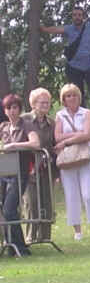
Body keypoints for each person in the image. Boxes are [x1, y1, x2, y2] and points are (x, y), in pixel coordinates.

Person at [54, 84, 90, 240]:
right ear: (63, 99)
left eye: (74, 95)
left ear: (79, 96)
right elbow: (57, 137)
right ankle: (77, 231)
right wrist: (78, 135)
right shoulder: (60, 115)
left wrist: (67, 139)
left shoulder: (87, 113)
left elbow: (87, 135)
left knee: (88, 194)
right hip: (67, 159)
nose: (71, 98)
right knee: (71, 195)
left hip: (86, 157)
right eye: (68, 96)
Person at [40, 6, 90, 124]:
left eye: (79, 15)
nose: (77, 17)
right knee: (77, 94)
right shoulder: (69, 28)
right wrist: (43, 29)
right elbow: (56, 29)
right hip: (74, 67)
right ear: (72, 17)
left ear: (83, 16)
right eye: (75, 15)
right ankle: (82, 119)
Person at [0, 94, 39, 256]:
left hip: (20, 173)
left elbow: (36, 143)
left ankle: (21, 248)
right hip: (3, 172)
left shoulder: (27, 125)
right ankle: (12, 246)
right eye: (8, 108)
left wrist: (14, 145)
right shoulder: (3, 127)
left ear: (20, 108)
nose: (12, 111)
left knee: (9, 210)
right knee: (5, 211)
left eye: (15, 107)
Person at [21, 88, 56, 243]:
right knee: (31, 201)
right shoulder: (24, 120)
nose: (45, 105)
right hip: (28, 167)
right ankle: (30, 236)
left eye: (47, 102)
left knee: (47, 201)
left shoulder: (52, 122)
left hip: (46, 167)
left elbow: (54, 146)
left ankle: (45, 236)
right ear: (33, 104)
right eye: (42, 102)